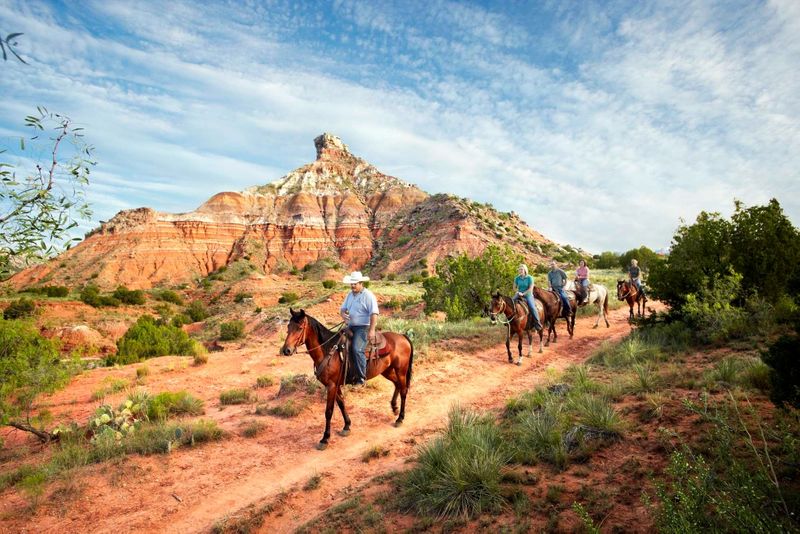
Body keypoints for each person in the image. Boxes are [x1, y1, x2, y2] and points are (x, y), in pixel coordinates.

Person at [340, 271, 379, 386]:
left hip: (363, 327)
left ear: (361, 283)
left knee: (357, 349)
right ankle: (346, 373)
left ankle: (361, 379)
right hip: (350, 326)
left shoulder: (368, 295)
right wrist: (344, 316)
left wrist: (371, 330)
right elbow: (343, 309)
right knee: (337, 342)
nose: (352, 286)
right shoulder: (350, 295)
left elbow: (374, 314)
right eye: (351, 284)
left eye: (354, 284)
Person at [513, 264, 543, 331]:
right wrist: (518, 292)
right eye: (519, 269)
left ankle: (537, 324)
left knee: (532, 307)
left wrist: (523, 294)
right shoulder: (517, 278)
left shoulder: (530, 278)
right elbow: (514, 287)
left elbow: (530, 288)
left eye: (521, 269)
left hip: (528, 295)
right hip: (519, 294)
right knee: (510, 303)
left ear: (525, 270)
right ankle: (508, 321)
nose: (520, 271)